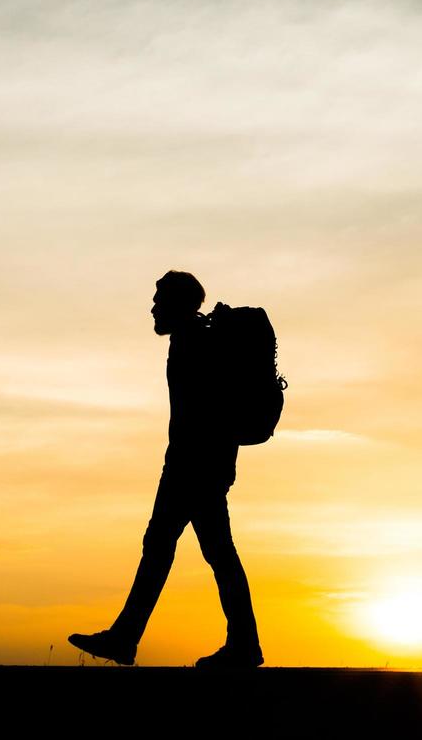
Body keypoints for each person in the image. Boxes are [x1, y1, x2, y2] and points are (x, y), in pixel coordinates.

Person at [68, 270, 264, 669]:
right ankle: (239, 643)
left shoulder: (194, 342)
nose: (153, 308)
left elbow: (204, 413)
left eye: (160, 300)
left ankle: (131, 639)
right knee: (202, 552)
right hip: (199, 466)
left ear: (179, 303)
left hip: (193, 468)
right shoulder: (193, 339)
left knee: (178, 549)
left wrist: (193, 464)